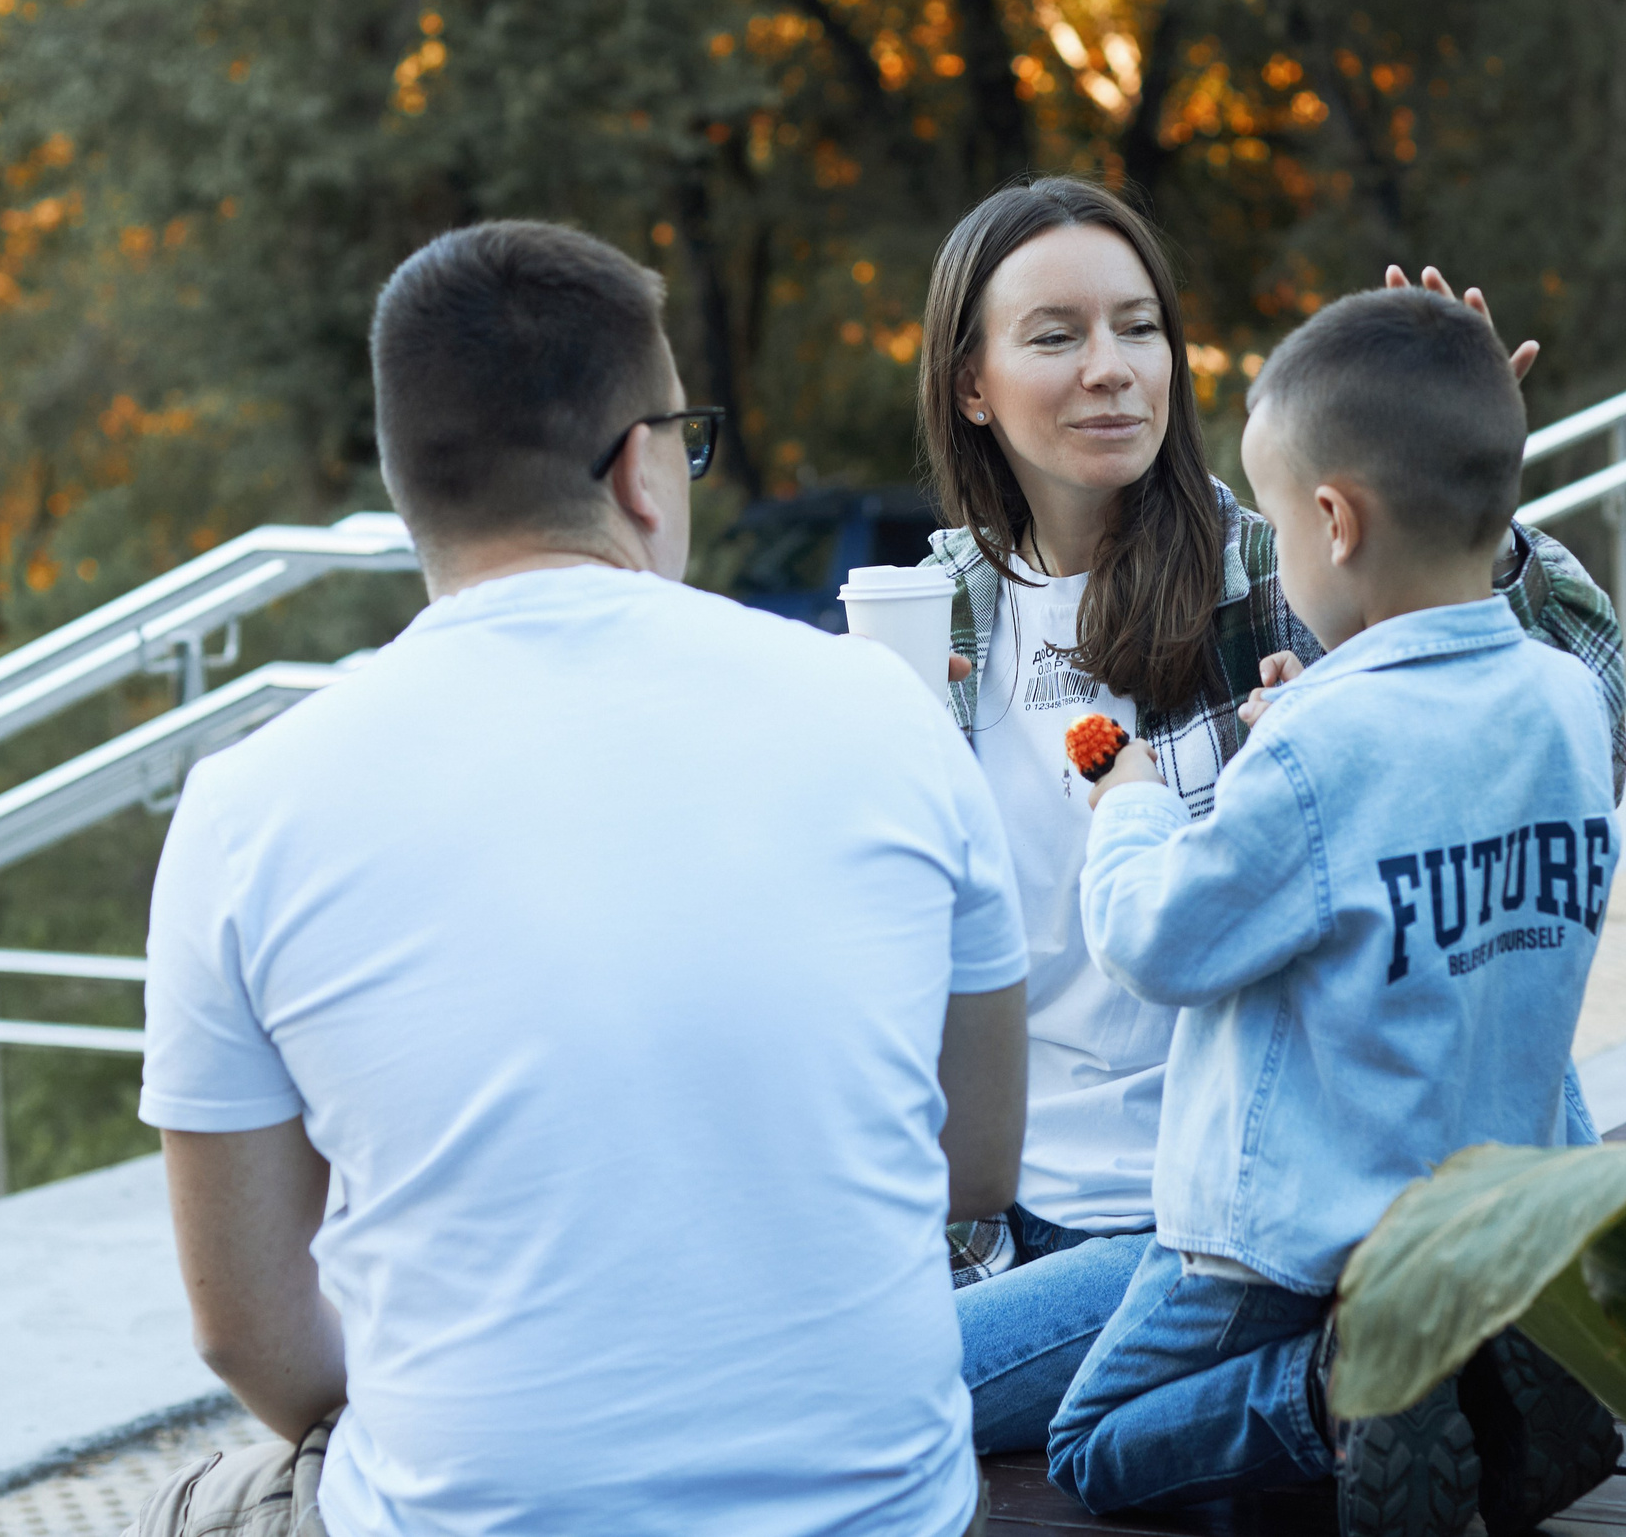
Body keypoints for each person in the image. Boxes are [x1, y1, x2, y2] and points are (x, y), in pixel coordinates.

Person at [129, 220, 1029, 1537]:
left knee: (199, 1506)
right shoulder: (885, 709)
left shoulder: (247, 803)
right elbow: (974, 1165)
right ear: (640, 468)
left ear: (408, 482)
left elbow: (245, 1329)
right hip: (882, 1512)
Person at [916, 178, 1624, 1455]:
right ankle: (1419, 1367)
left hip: (1218, 1218)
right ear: (971, 384)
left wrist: (1462, 489)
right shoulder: (928, 622)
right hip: (1003, 1219)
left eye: (1139, 327)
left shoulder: (1294, 565)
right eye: (1057, 335)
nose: (1113, 371)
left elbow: (1575, 730)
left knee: (871, 1400)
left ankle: (1386, 1364)